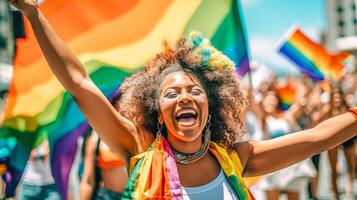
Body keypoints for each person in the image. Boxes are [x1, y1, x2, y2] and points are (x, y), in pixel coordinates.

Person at [9, 0, 357, 199]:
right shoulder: (139, 151)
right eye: (171, 93)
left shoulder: (237, 159)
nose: (184, 97)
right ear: (157, 111)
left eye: (194, 91)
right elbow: (79, 81)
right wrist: (33, 13)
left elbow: (318, 138)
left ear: (211, 107)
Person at [80, 132, 128, 200]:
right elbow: (88, 180)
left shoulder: (135, 131)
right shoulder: (95, 138)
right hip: (107, 196)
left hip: (134, 195)